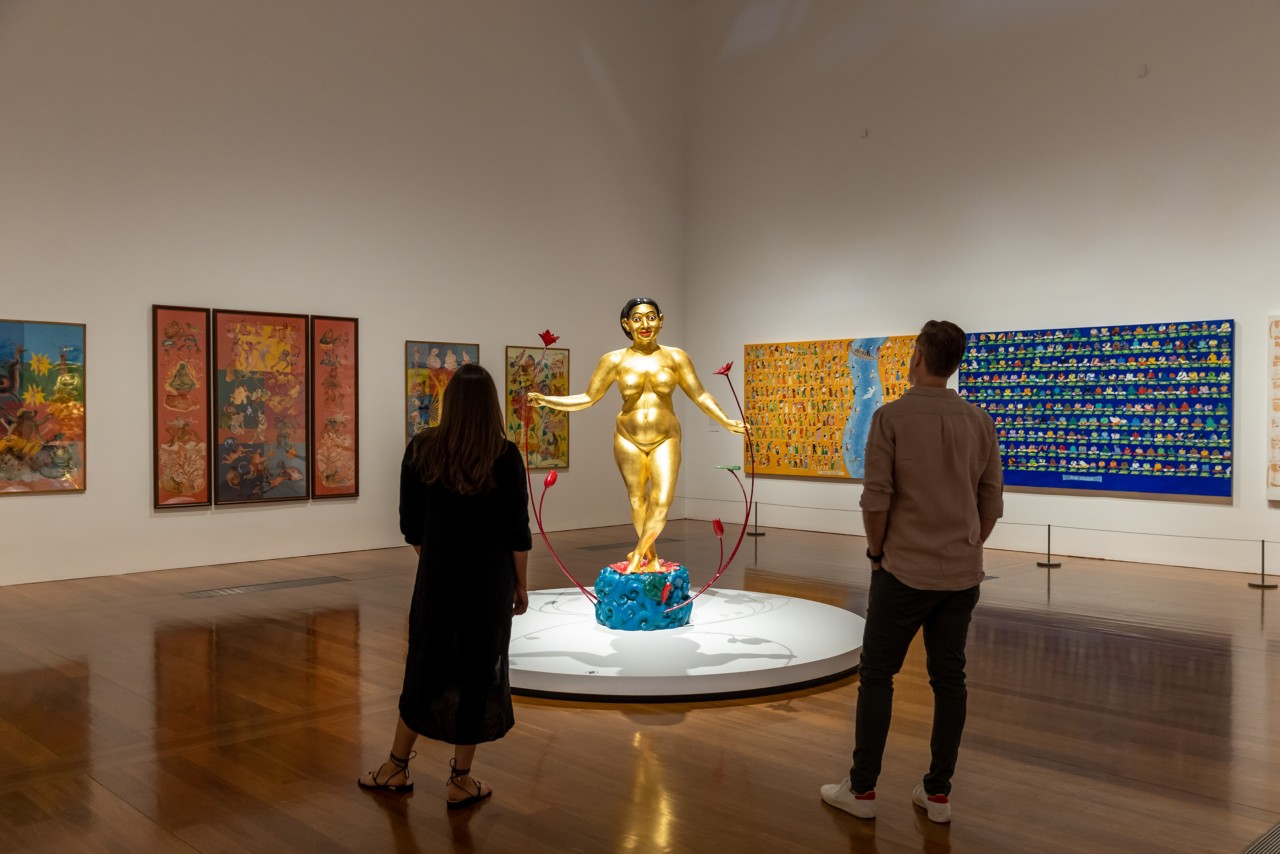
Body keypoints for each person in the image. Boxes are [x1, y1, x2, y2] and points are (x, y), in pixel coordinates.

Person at [821, 320, 1003, 824]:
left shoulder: (890, 417)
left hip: (901, 571)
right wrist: (968, 545)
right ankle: (938, 793)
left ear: (917, 357)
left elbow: (876, 499)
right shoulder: (980, 421)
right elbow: (990, 502)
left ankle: (862, 790)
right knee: (950, 679)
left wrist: (876, 553)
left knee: (878, 676)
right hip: (961, 574)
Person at [359, 363, 532, 808]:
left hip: (436, 581)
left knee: (425, 666)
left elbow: (411, 526)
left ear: (448, 401)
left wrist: (439, 560)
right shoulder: (504, 455)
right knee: (479, 672)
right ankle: (460, 780)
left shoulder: (423, 449)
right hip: (490, 583)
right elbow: (518, 532)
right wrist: (520, 585)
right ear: (491, 404)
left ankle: (395, 766)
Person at [528, 298, 747, 574]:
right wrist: (547, 400)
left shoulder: (676, 357)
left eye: (651, 317)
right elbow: (588, 398)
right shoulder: (614, 360)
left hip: (665, 437)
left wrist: (726, 420)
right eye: (637, 318)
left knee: (662, 501)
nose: (645, 324)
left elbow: (700, 395)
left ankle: (637, 555)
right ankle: (650, 557)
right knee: (637, 499)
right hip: (627, 437)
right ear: (626, 324)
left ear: (661, 320)